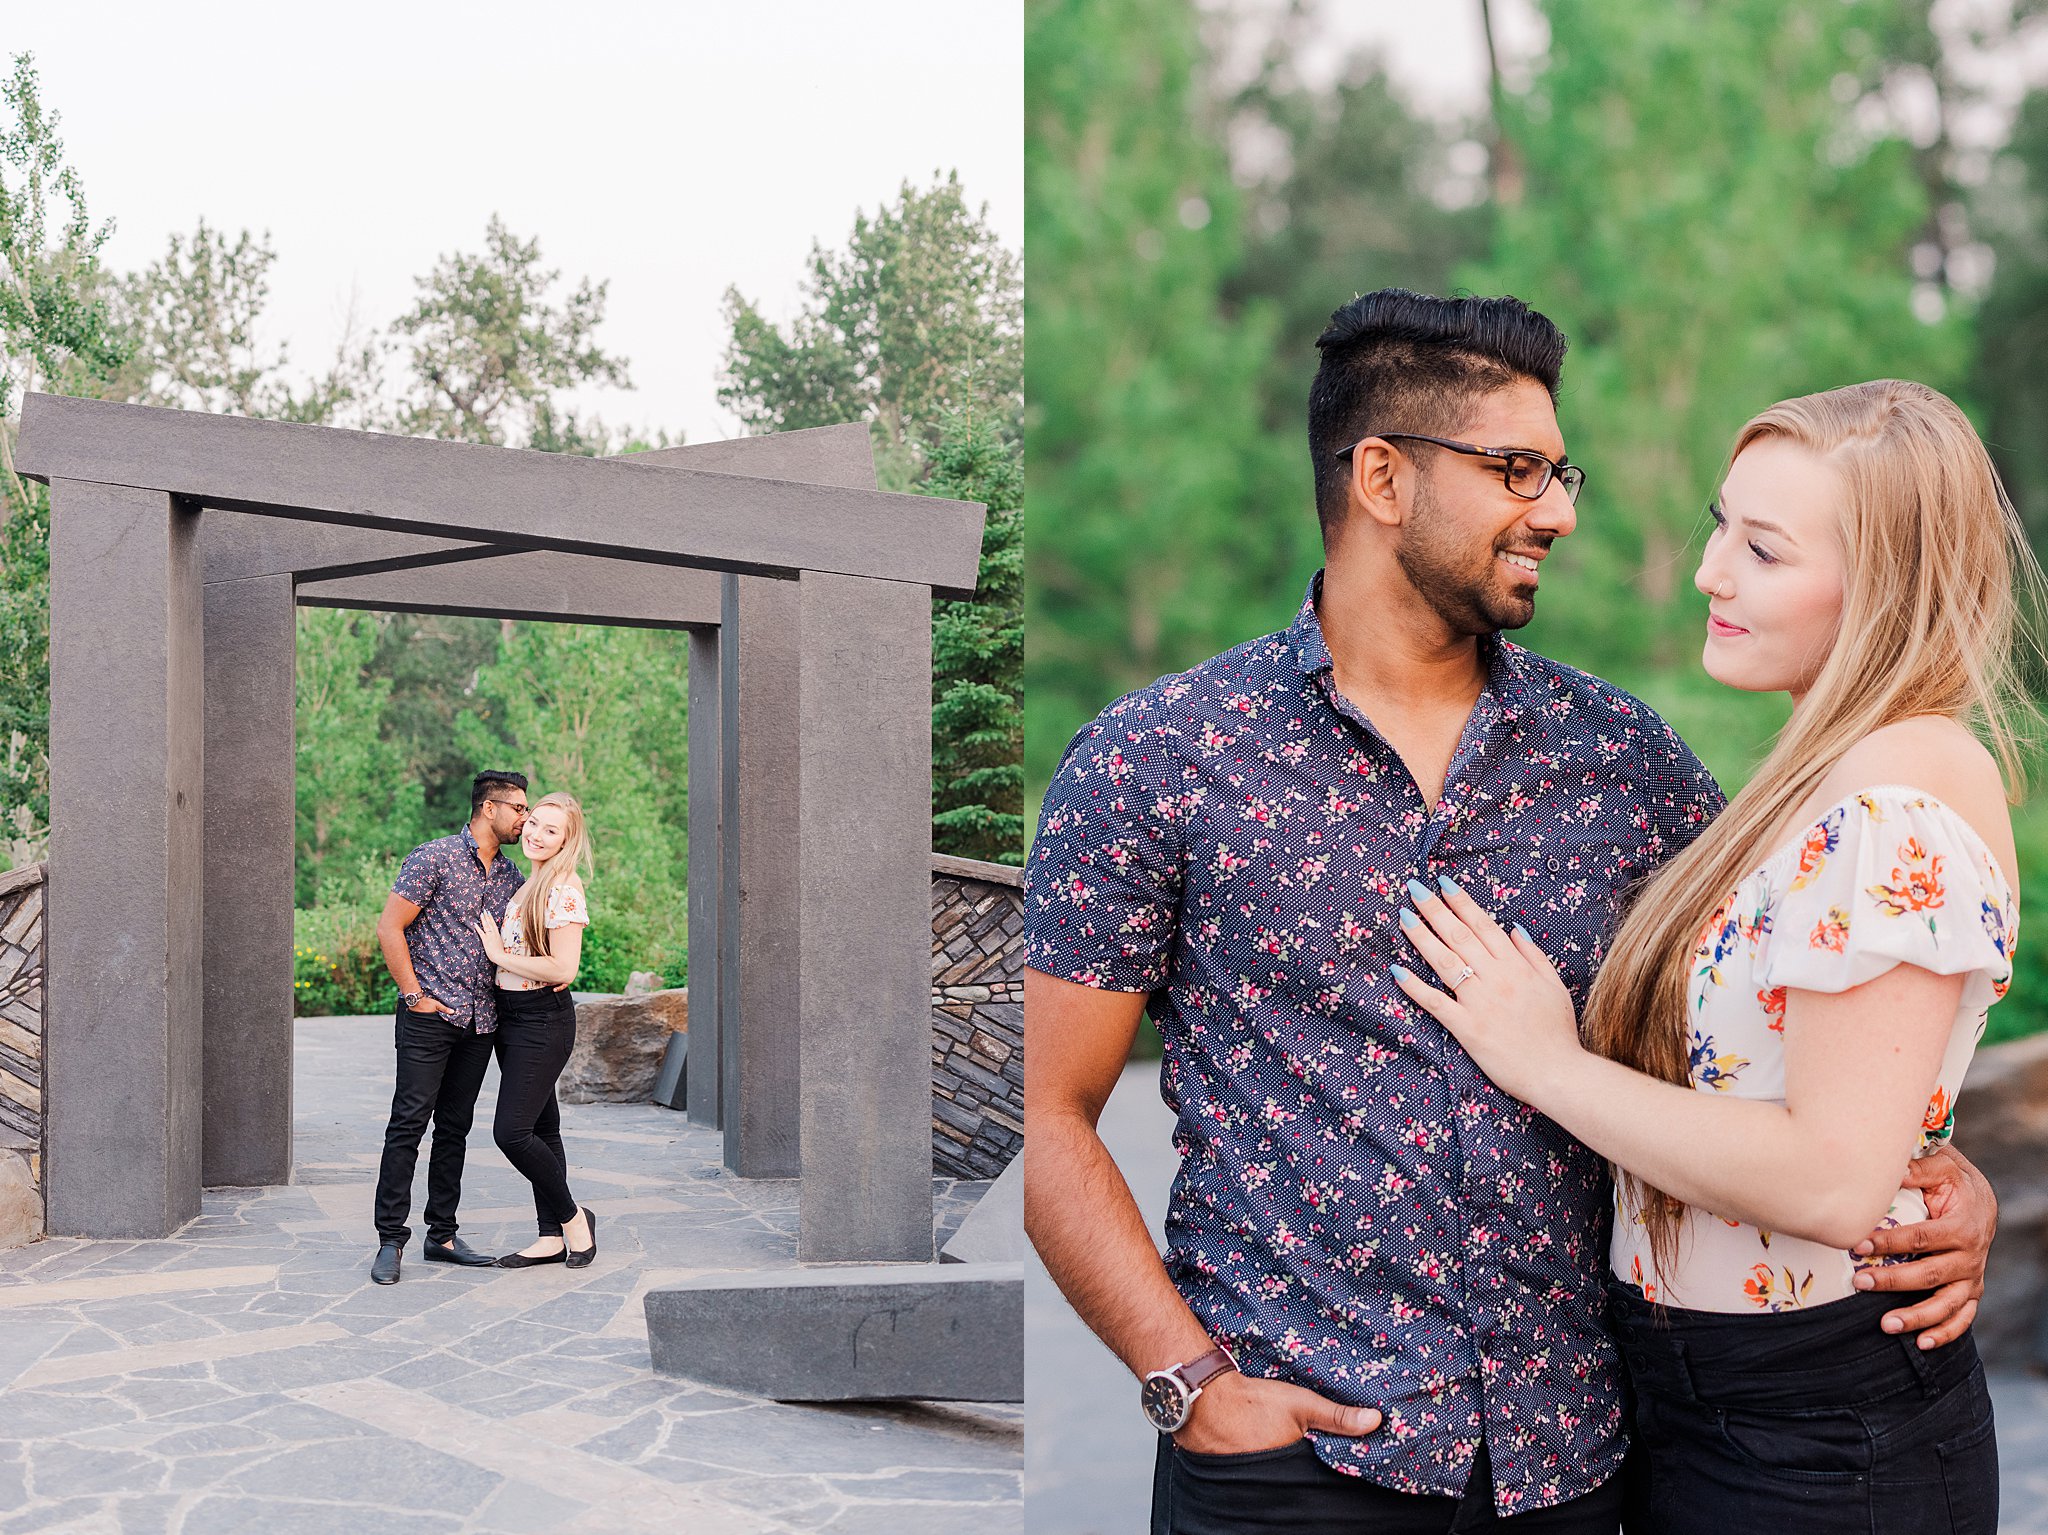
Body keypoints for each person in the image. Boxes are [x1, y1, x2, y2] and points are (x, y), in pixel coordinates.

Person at [1023, 291, 2001, 1533]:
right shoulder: (1156, 757)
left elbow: (1759, 1020)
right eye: (1515, 469)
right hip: (1297, 1466)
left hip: (1584, 1461)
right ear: (1381, 476)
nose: (1558, 508)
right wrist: (1187, 1380)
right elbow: (1045, 1105)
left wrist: (1919, 1169)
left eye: (1559, 468)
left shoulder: (1627, 762)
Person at [1393, 379, 2019, 1530]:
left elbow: (1830, 1177)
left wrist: (1545, 1061)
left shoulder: (1889, 803)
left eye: (1764, 549)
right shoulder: (1815, 774)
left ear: (1881, 584)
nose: (1710, 572)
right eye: (1720, 525)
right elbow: (1845, 1090)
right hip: (1704, 1405)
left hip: (1818, 1435)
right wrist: (1937, 1160)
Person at [369, 770, 532, 1285]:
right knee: (408, 1125)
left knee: (455, 1129)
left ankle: (441, 1235)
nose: (524, 820)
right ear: (490, 808)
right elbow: (389, 927)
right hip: (430, 1018)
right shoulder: (433, 857)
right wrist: (415, 996)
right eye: (519, 809)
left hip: (481, 1022)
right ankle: (391, 1240)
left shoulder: (511, 878)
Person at [477, 792, 597, 1269]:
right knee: (544, 1129)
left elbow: (565, 966)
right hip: (514, 1016)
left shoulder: (563, 888)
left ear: (567, 840)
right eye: (534, 824)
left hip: (543, 1019)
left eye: (552, 830)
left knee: (511, 1131)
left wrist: (498, 955)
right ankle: (550, 1237)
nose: (536, 834)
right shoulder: (530, 884)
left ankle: (574, 1222)